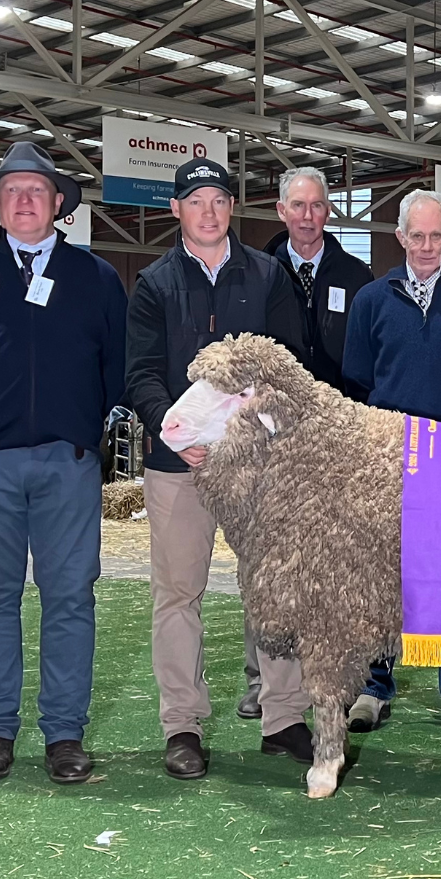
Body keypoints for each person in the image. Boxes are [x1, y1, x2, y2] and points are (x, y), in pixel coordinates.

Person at [0, 142, 127, 784]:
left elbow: (113, 367)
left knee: (70, 597)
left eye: (38, 190)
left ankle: (65, 733)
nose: (26, 200)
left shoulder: (96, 277)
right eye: (13, 191)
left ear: (59, 203)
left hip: (67, 461)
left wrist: (80, 431)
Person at [126, 158, 310, 779]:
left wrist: (248, 435)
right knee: (178, 593)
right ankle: (183, 723)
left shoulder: (268, 276)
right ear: (175, 209)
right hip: (179, 466)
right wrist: (174, 436)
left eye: (219, 199)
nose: (209, 210)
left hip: (260, 465)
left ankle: (284, 715)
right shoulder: (153, 283)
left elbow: (291, 370)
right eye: (195, 200)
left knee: (275, 587)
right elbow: (141, 374)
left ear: (233, 208)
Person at [342, 188, 441, 735]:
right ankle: (373, 685)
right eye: (418, 236)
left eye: (437, 236)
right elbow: (359, 375)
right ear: (400, 237)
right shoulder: (370, 300)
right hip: (391, 457)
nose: (428, 246)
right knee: (385, 572)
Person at [247, 168, 373, 720]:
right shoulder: (256, 273)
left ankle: (341, 676)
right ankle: (264, 679)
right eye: (296, 205)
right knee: (269, 560)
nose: (306, 215)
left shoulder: (357, 275)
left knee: (340, 561)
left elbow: (364, 364)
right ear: (281, 211)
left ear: (328, 212)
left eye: (317, 206)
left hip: (338, 444)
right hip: (274, 444)